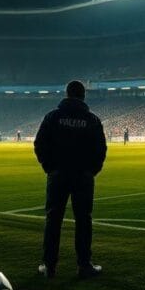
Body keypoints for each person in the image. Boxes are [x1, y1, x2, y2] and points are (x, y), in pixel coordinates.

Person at [33, 80, 107, 279]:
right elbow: (101, 149)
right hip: (83, 177)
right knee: (84, 220)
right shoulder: (92, 120)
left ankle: (49, 266)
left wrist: (50, 167)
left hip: (57, 176)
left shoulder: (53, 117)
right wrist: (91, 171)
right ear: (84, 96)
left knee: (53, 219)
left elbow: (39, 144)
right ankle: (84, 265)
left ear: (66, 94)